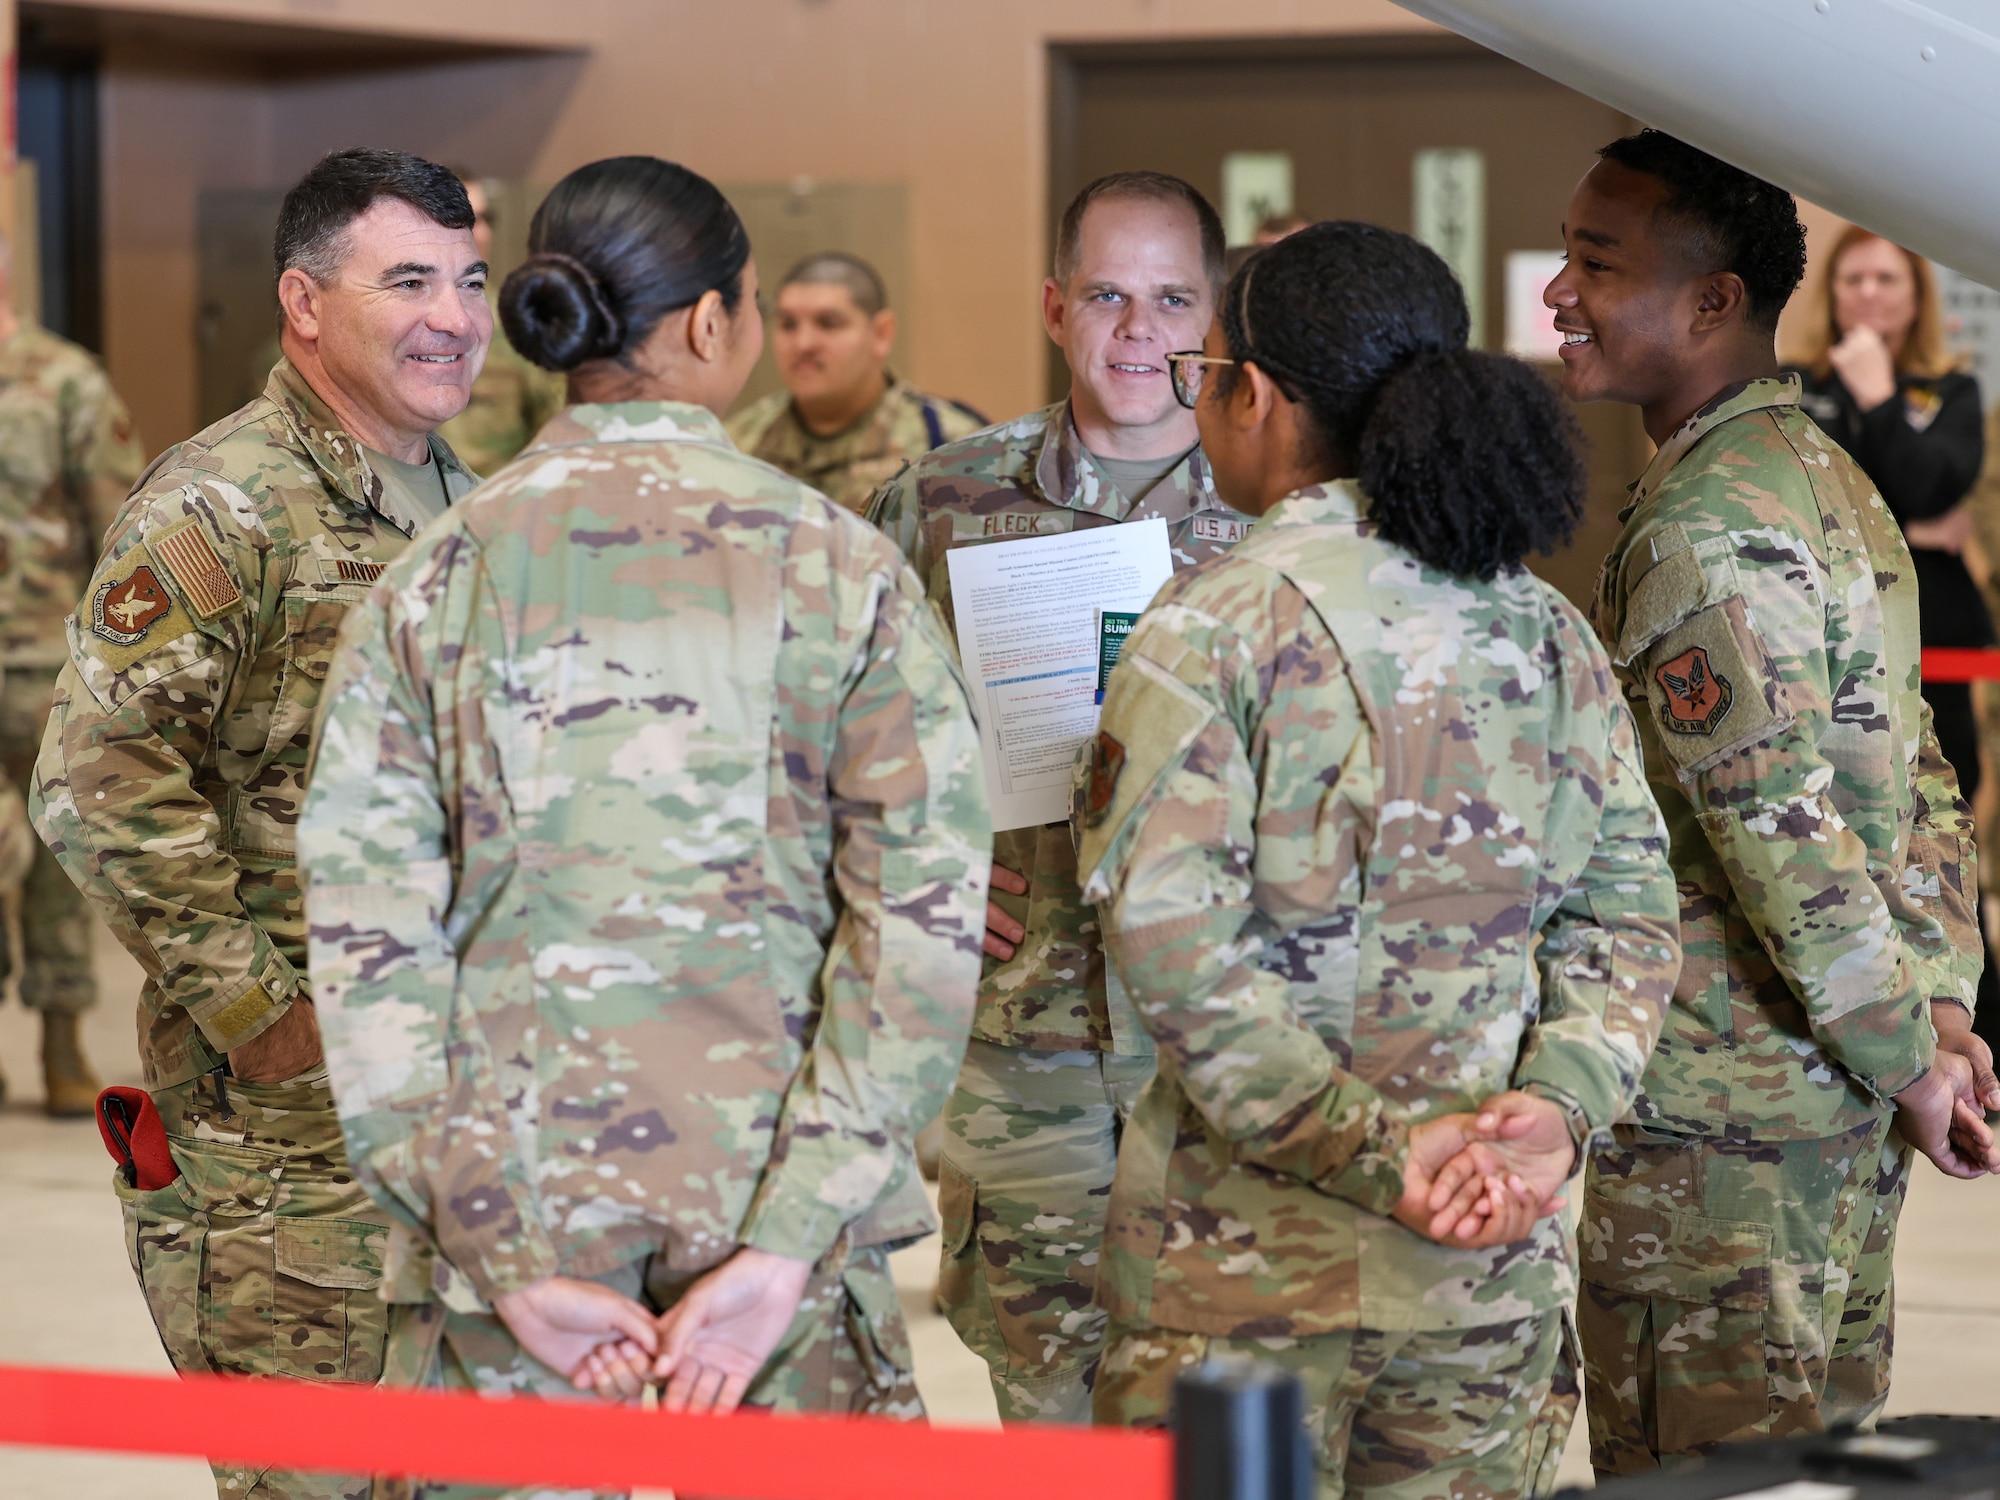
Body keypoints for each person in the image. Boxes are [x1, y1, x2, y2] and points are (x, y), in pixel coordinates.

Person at [300, 155, 989, 1464]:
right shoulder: (839, 566)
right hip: (782, 1261)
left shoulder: (433, 580)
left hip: (525, 1254)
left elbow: (370, 952)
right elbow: (921, 930)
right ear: (715, 321)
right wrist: (786, 1246)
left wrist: (501, 1262)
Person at [1078, 219, 1682, 1500]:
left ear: (1257, 395)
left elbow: (1172, 958)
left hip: (1239, 1292)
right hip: (1485, 1279)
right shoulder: (1544, 627)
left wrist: (1377, 1154)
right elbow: (1627, 914)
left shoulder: (1213, 629)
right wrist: (1553, 1114)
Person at [31, 147, 488, 1500]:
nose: (453, 316)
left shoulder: (464, 498)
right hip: (290, 1142)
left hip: (451, 1108)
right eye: (407, 279)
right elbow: (98, 776)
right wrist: (260, 1014)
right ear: (303, 300)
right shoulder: (226, 505)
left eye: (469, 279)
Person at [1546, 129, 2000, 1472]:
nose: (1558, 294)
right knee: (1813, 1462)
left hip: (1723, 1141)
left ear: (1712, 301)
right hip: (1838, 1097)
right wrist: (1940, 1006)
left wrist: (1917, 1049)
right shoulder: (1822, 474)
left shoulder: (1707, 522)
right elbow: (1915, 767)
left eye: (1594, 262)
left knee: (1706, 1470)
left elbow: (1782, 834)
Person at [868, 169, 1256, 1423]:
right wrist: (916, 870)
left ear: (1215, 319)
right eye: (1105, 293)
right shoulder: (941, 502)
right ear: (1052, 306)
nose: (1137, 331)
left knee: (1225, 1406)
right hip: (1025, 1041)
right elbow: (838, 734)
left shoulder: (1279, 514)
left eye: (1170, 298)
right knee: (1046, 1406)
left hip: (1229, 1048)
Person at [0, 228, 146, 1116]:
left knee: (57, 852)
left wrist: (111, 661)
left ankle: (60, 1041)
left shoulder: (65, 380)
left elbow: (118, 528)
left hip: (38, 664)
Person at [726, 252, 986, 512]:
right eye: (788, 324)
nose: (803, 344)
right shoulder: (736, 445)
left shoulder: (952, 449)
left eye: (828, 323)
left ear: (881, 333)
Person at [434, 170, 567, 474]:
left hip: (493, 507)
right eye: (455, 216)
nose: (477, 233)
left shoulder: (523, 323)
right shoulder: (386, 319)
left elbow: (556, 432)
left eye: (483, 218)